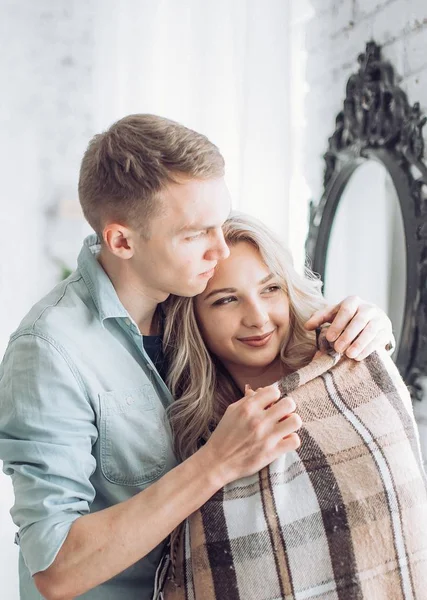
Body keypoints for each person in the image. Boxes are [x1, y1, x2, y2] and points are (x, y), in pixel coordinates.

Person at [0, 115, 394, 600]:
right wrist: (216, 462)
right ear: (121, 241)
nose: (220, 248)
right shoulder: (50, 350)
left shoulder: (186, 304)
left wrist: (367, 323)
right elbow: (55, 568)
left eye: (220, 223)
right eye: (195, 234)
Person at [159, 212, 427, 600]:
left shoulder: (349, 364)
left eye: (269, 289)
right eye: (226, 299)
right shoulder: (194, 433)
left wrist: (377, 332)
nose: (258, 317)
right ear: (193, 318)